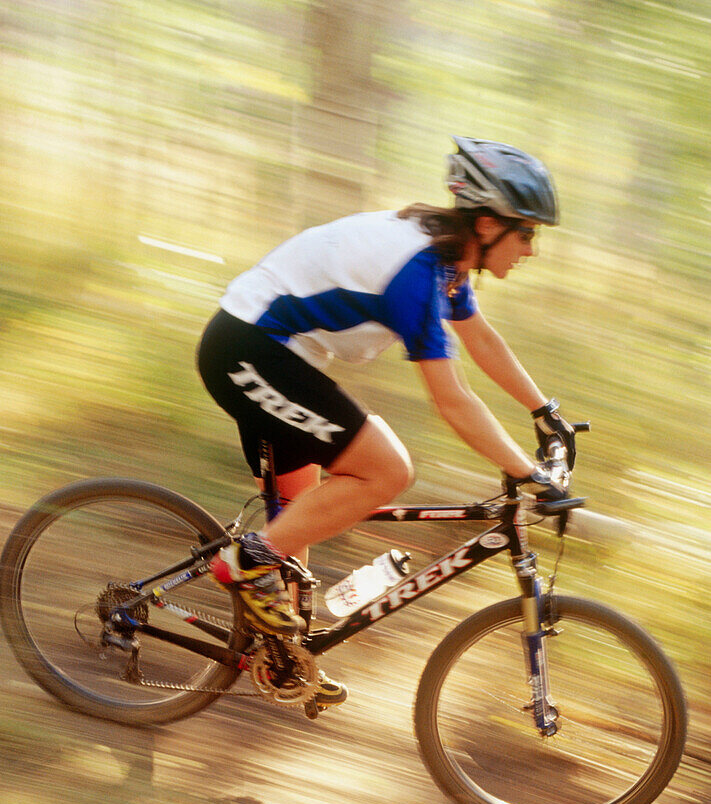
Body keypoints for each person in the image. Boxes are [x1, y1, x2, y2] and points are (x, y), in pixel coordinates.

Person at [197, 136, 576, 709]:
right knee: (386, 470)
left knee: (299, 531)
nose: (531, 249)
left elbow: (482, 341)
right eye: (527, 233)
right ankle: (242, 565)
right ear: (489, 223)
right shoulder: (417, 276)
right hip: (250, 349)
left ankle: (283, 655)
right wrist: (526, 472)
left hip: (278, 354)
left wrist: (544, 413)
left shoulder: (447, 262)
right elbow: (453, 401)